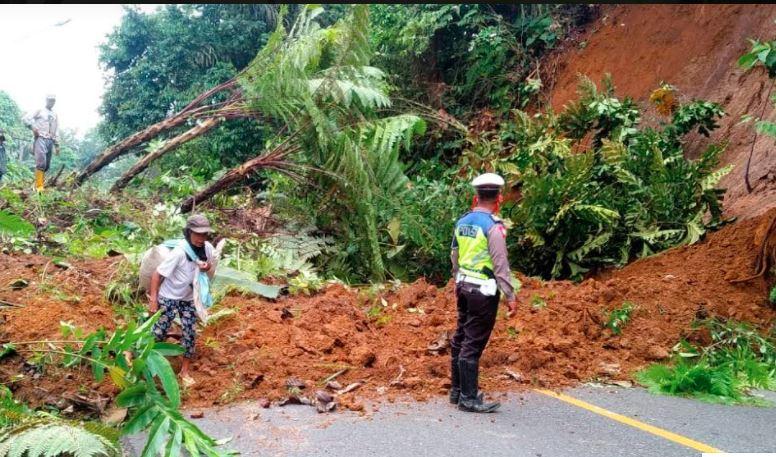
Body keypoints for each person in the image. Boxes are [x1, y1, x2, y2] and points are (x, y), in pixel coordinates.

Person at [449, 173, 517, 413]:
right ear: (499, 198)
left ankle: (456, 391)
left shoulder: (463, 222)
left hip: (464, 286)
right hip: (483, 292)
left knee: (460, 336)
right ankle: (468, 398)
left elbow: (454, 255)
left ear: (474, 197)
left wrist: (457, 277)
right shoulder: (493, 227)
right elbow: (500, 264)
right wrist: (509, 295)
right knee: (473, 342)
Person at [148, 214, 216, 387]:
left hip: (188, 299)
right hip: (169, 297)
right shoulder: (179, 252)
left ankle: (184, 372)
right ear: (189, 232)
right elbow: (157, 274)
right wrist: (154, 300)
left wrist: (206, 267)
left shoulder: (207, 248)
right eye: (197, 234)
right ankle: (147, 364)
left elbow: (208, 265)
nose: (201, 238)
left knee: (190, 333)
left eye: (204, 234)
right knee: (158, 333)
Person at [23, 94, 59, 191]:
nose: (51, 102)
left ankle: (40, 183)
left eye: (53, 101)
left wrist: (57, 144)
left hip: (50, 140)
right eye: (50, 100)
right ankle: (39, 187)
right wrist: (33, 127)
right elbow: (26, 118)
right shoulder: (40, 110)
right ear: (46, 100)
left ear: (54, 102)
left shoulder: (55, 114)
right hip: (40, 138)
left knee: (46, 165)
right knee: (41, 163)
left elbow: (56, 129)